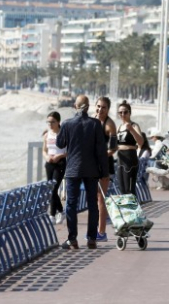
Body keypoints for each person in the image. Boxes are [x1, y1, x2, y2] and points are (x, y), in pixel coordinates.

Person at [56, 95, 109, 250]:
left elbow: (60, 143)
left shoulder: (67, 124)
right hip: (91, 170)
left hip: (73, 169)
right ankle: (92, 238)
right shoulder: (95, 124)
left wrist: (63, 129)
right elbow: (101, 151)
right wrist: (104, 172)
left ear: (75, 106)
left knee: (71, 204)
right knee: (92, 204)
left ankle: (72, 239)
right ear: (88, 106)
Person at [93, 96, 117, 243]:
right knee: (94, 198)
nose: (100, 110)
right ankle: (94, 230)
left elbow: (113, 148)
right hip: (91, 165)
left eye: (103, 107)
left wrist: (100, 155)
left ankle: (101, 232)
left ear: (108, 110)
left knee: (101, 198)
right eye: (98, 106)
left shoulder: (109, 125)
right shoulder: (91, 121)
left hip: (104, 166)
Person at [42, 112, 66, 224]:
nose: (50, 124)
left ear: (58, 122)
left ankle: (52, 215)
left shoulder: (63, 134)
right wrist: (47, 157)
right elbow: (44, 150)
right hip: (49, 163)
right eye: (48, 122)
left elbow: (69, 151)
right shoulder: (47, 135)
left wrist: (59, 156)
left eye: (53, 122)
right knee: (50, 188)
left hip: (60, 163)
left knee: (54, 188)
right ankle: (61, 211)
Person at [116, 100, 144, 197]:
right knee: (122, 188)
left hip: (130, 159)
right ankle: (125, 210)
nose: (123, 114)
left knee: (129, 189)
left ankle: (133, 211)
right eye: (120, 112)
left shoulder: (134, 125)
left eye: (125, 112)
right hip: (120, 159)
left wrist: (131, 130)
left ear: (129, 113)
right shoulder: (119, 127)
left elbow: (141, 142)